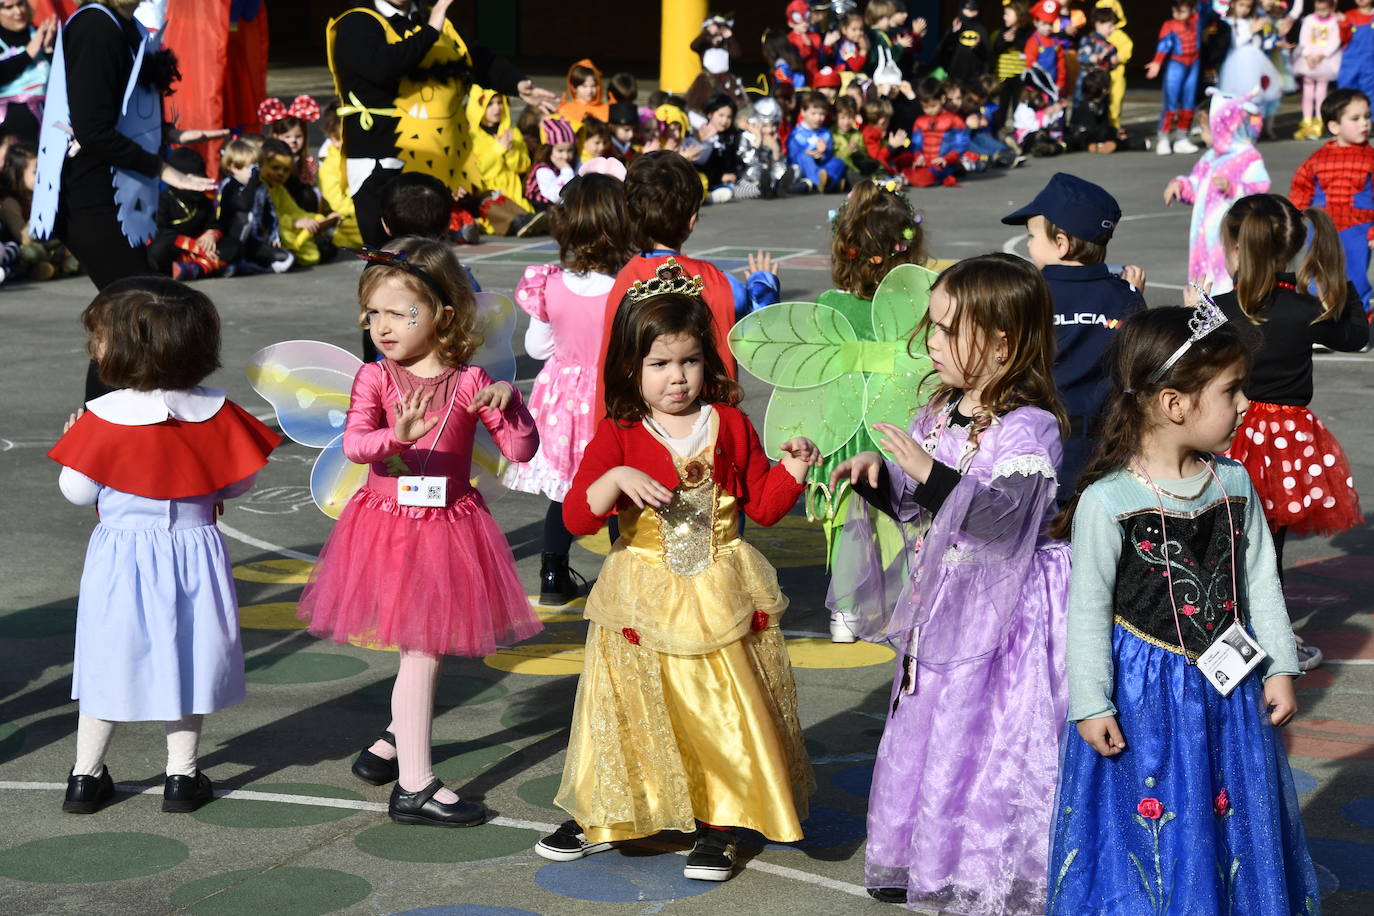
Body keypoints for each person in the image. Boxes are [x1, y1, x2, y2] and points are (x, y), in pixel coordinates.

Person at [534, 281, 819, 881]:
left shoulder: (732, 424)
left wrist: (792, 467)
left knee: (719, 707)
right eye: (659, 363)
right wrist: (614, 477)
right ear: (631, 368)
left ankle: (720, 822)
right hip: (640, 592)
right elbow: (577, 516)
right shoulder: (619, 431)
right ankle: (612, 812)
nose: (677, 377)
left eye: (689, 361)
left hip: (719, 587)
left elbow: (763, 507)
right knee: (633, 707)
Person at [1045, 305, 1319, 915]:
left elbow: (1259, 581)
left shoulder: (1234, 482)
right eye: (1230, 390)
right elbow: (1086, 611)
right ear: (1174, 404)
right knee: (1157, 826)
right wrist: (1090, 703)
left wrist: (1279, 665)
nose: (1246, 403)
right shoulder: (1107, 501)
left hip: (1230, 694)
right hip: (1145, 699)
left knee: (1227, 816)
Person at [828, 253, 1070, 911]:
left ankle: (977, 866)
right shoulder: (938, 412)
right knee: (926, 730)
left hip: (1001, 622)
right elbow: (918, 504)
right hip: (941, 607)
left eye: (946, 329)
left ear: (1001, 342)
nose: (930, 342)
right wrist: (881, 482)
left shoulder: (1030, 428)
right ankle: (918, 857)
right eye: (930, 327)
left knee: (981, 741)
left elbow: (1001, 521)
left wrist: (928, 476)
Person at [296, 238, 543, 828]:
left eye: (401, 313)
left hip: (449, 525)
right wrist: (397, 439)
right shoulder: (376, 380)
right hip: (388, 524)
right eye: (373, 313)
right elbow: (357, 443)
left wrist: (511, 405)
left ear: (443, 316)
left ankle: (388, 749)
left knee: (421, 648)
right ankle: (414, 785)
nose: (383, 326)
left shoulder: (468, 381)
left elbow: (521, 450)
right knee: (423, 651)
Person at [48, 278, 281, 815]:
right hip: (194, 551)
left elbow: (79, 494)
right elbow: (239, 482)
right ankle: (182, 776)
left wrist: (75, 448)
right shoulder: (216, 410)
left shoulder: (102, 416)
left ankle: (85, 776)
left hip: (121, 557)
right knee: (190, 657)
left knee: (107, 660)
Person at [29, 0, 222, 401]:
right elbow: (93, 128)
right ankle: (100, 429)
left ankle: (110, 423)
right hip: (87, 199)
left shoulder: (126, 26)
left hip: (112, 197)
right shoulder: (96, 27)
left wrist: (171, 137)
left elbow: (121, 112)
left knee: (134, 313)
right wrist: (163, 168)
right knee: (140, 309)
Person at [1215, 195, 1367, 647]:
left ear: (1239, 249)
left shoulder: (1219, 309)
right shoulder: (1305, 310)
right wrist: (1341, 284)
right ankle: (1277, 636)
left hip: (1228, 435)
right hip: (1287, 444)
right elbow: (1356, 336)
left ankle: (1228, 632)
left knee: (1224, 541)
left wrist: (1192, 312)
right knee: (1269, 546)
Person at [325, 0, 556, 248]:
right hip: (380, 157)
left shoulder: (434, 19)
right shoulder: (357, 21)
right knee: (387, 253)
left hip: (438, 157)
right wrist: (431, 31)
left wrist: (518, 84)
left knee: (430, 251)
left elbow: (478, 59)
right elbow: (383, 67)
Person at [501, 174, 633, 607]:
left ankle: (553, 573)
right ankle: (622, 578)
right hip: (610, 397)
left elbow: (536, 347)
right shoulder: (625, 287)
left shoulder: (550, 283)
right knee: (620, 493)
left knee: (565, 490)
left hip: (560, 402)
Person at [812, 179, 930, 641]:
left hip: (842, 427)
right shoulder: (916, 304)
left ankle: (845, 611)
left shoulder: (829, 305)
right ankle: (899, 601)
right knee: (898, 516)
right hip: (895, 424)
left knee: (845, 518)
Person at [1002, 172, 1146, 504]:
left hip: (1037, 442)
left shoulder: (1031, 293)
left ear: (1062, 244)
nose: (1028, 244)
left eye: (1032, 236)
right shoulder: (1123, 295)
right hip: (1107, 448)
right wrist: (1134, 295)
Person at [597, 151, 738, 415]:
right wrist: (765, 286)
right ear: (692, 219)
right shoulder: (714, 280)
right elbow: (751, 314)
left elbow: (612, 362)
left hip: (639, 421)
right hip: (704, 420)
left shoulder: (625, 279)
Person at [1164, 87, 1271, 294]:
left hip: (1231, 236)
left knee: (1226, 281)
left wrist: (1233, 188)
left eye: (1206, 129)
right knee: (1204, 281)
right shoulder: (1210, 157)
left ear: (1225, 127)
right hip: (1204, 238)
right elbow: (1196, 185)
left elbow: (1260, 188)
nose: (1203, 135)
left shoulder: (1248, 157)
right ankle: (1204, 321)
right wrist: (1180, 185)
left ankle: (1228, 321)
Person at [1289, 87, 1374, 312]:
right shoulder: (1317, 159)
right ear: (1334, 126)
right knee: (1317, 273)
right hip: (1322, 227)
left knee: (1355, 277)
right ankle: (1322, 323)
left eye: (1367, 116)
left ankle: (1358, 324)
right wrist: (1292, 219)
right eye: (1355, 118)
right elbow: (1301, 188)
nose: (1364, 123)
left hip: (1357, 228)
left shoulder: (1370, 159)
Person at [216, 137, 294, 276]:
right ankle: (234, 264)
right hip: (231, 240)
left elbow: (270, 212)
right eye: (250, 168)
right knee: (245, 218)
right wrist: (252, 182)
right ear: (233, 167)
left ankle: (251, 265)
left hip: (253, 240)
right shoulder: (229, 187)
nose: (255, 172)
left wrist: (273, 235)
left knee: (286, 259)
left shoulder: (260, 187)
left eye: (258, 166)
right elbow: (244, 205)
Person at [258, 137, 340, 268]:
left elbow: (294, 211)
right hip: (268, 233)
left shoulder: (278, 189)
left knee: (317, 249)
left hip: (283, 228)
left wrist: (318, 220)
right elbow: (264, 221)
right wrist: (294, 223)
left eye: (285, 170)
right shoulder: (258, 188)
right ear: (261, 164)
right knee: (287, 235)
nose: (280, 173)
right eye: (275, 167)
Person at [148, 147, 227, 281]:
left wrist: (211, 234)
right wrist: (194, 247)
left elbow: (214, 224)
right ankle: (208, 266)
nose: (196, 183)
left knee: (233, 246)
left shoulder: (203, 200)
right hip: (178, 249)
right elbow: (160, 230)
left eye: (200, 177)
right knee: (157, 251)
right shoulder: (164, 200)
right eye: (191, 179)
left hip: (202, 249)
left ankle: (193, 269)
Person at [1145, 0, 1208, 155]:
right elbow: (1164, 45)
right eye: (1175, 10)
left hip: (1193, 63)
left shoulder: (1197, 20)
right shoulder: (1169, 24)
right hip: (1176, 63)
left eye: (1182, 10)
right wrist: (1157, 62)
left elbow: (1206, 6)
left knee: (1188, 103)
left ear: (1191, 10)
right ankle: (1164, 138)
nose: (1178, 13)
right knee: (1170, 104)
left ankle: (1181, 137)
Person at [465, 84, 534, 214]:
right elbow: (477, 172)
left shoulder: (513, 132)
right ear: (478, 106)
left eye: (499, 102)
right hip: (488, 195)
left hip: (514, 193)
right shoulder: (470, 137)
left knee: (525, 214)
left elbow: (523, 166)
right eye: (490, 104)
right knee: (503, 217)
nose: (497, 108)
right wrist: (498, 150)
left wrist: (510, 152)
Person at [0, 0, 54, 146]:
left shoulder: (39, 34)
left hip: (50, 124)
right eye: (9, 7)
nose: (18, 12)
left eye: (20, 4)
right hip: (12, 137)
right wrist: (28, 54)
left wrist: (49, 50)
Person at [259, 94, 323, 212]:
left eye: (298, 136)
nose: (293, 141)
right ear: (275, 136)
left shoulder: (306, 162)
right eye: (287, 136)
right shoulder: (267, 158)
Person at [787, 91, 846, 193]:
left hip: (822, 166)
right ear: (803, 112)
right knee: (804, 157)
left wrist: (824, 152)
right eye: (813, 113)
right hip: (806, 168)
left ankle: (826, 183)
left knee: (838, 161)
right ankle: (827, 183)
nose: (818, 118)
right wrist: (806, 153)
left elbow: (829, 155)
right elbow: (792, 155)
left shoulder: (825, 132)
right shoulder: (797, 133)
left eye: (822, 114)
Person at [524, 117, 577, 211]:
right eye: (560, 151)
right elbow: (557, 196)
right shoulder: (543, 170)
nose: (565, 156)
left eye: (570, 150)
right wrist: (566, 170)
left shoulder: (572, 163)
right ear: (549, 150)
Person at [557, 58, 609, 129]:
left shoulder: (606, 109)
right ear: (574, 88)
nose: (589, 90)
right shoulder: (564, 110)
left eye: (593, 86)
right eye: (584, 86)